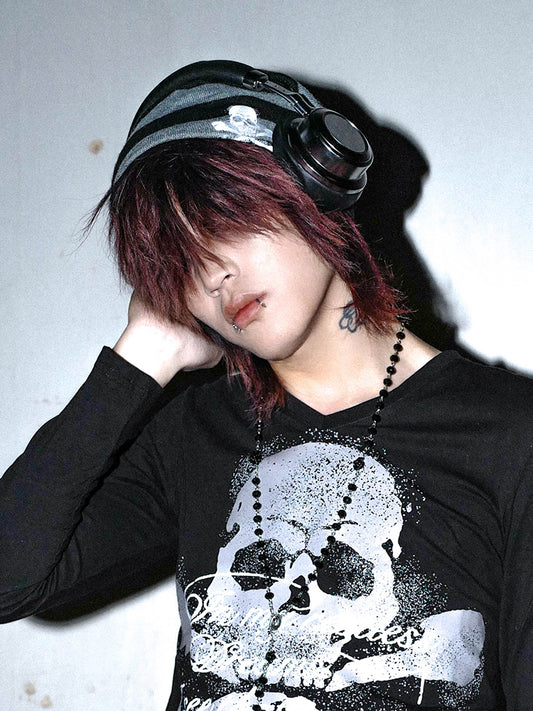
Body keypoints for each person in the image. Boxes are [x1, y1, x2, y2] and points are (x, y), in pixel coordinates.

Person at [1, 60, 532, 711]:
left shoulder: (510, 436)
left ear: (319, 183)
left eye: (225, 222)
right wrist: (144, 351)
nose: (213, 275)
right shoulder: (191, 432)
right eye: (180, 262)